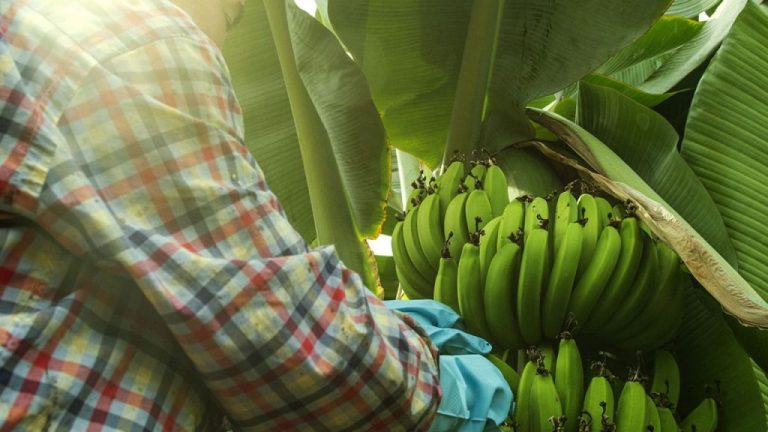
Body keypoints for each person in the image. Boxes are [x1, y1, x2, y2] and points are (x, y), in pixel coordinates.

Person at [0, 0, 512, 430]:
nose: (227, 30)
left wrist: (381, 322)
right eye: (233, 13)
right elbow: (276, 332)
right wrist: (441, 393)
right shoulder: (123, 37)